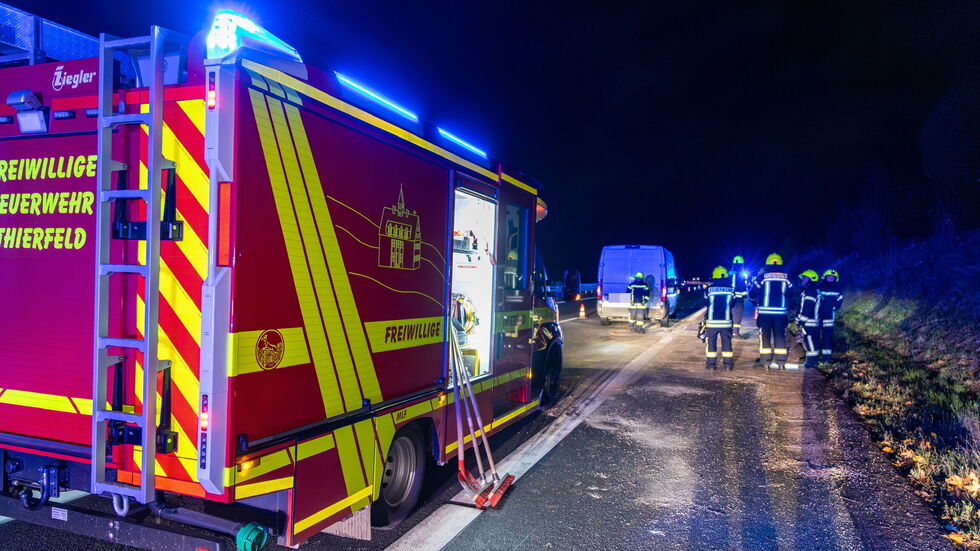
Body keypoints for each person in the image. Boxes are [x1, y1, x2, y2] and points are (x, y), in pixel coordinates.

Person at [749, 253, 792, 370]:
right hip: (781, 314)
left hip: (764, 314)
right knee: (780, 337)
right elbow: (791, 294)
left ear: (767, 264)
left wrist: (754, 301)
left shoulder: (761, 277)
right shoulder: (787, 278)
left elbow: (752, 294)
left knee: (765, 338)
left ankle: (766, 361)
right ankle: (781, 362)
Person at [703, 266, 735, 370]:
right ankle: (728, 365)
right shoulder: (731, 290)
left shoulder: (708, 290)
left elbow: (705, 303)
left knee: (711, 343)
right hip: (726, 322)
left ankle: (711, 365)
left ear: (714, 277)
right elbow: (732, 304)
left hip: (712, 323)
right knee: (727, 344)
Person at [816, 269, 844, 362]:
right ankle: (814, 357)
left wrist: (833, 308)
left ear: (835, 279)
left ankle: (826, 358)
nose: (830, 278)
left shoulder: (838, 289)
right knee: (815, 335)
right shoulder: (819, 287)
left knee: (827, 337)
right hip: (817, 316)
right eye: (829, 277)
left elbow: (839, 300)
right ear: (825, 277)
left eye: (832, 277)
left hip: (829, 317)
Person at [796, 269, 821, 368]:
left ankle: (811, 363)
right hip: (810, 322)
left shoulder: (810, 291)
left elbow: (807, 308)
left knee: (810, 343)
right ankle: (810, 362)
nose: (802, 280)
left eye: (805, 278)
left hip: (809, 322)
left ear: (811, 279)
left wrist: (801, 321)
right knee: (809, 342)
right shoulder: (811, 290)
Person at [730, 255, 749, 338]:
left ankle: (730, 332)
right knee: (737, 316)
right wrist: (745, 298)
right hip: (738, 299)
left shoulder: (729, 273)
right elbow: (742, 288)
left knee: (730, 315)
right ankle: (736, 333)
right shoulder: (740, 274)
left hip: (729, 298)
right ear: (742, 264)